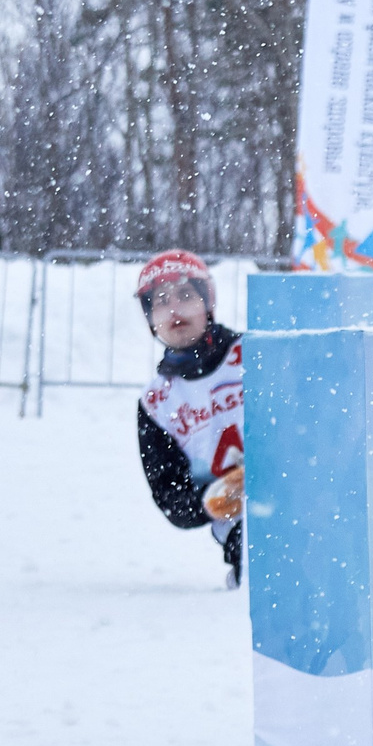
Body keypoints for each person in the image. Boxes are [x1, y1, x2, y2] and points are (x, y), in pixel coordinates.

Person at [134, 250, 245, 589]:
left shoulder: (256, 352)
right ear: (151, 317)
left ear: (208, 302)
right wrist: (215, 501)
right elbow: (171, 498)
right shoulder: (156, 403)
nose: (175, 309)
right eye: (161, 301)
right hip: (243, 535)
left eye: (185, 294)